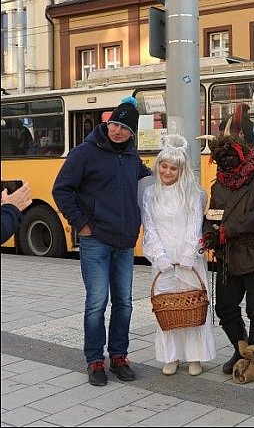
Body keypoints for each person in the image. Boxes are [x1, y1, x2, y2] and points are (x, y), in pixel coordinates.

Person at [52, 96, 151, 387]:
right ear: (107, 123)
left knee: (125, 303)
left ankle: (119, 356)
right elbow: (61, 190)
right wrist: (81, 224)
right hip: (95, 240)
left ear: (132, 134)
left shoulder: (132, 157)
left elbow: (147, 185)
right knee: (97, 301)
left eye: (124, 128)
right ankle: (95, 360)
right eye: (115, 124)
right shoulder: (85, 152)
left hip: (124, 242)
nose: (118, 131)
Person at [141, 134, 216, 376]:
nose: (168, 172)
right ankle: (170, 356)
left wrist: (187, 256)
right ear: (158, 166)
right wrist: (160, 257)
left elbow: (194, 226)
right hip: (163, 258)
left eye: (174, 168)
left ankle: (195, 356)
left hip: (188, 258)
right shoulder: (150, 194)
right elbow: (149, 226)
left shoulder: (193, 192)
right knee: (168, 308)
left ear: (181, 170)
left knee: (193, 304)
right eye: (164, 166)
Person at [207, 134, 254, 376]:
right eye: (221, 158)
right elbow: (213, 214)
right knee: (225, 307)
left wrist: (230, 228)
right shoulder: (217, 186)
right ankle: (241, 348)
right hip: (228, 256)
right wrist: (209, 233)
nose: (226, 162)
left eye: (230, 157)